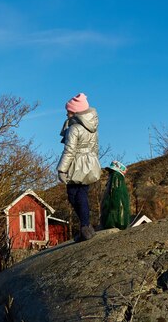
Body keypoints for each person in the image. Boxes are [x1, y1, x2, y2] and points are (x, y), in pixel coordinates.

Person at [57, 93, 101, 242]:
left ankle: (85, 227)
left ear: (75, 112)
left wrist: (61, 169)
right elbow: (95, 146)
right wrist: (94, 162)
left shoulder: (74, 128)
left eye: (68, 111)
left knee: (74, 195)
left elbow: (69, 151)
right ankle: (86, 227)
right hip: (89, 163)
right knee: (82, 193)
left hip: (76, 165)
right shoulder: (92, 127)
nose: (66, 113)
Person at [100, 160, 131, 230]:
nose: (110, 174)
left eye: (112, 171)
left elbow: (115, 198)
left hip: (116, 221)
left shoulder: (116, 176)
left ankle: (113, 222)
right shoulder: (115, 178)